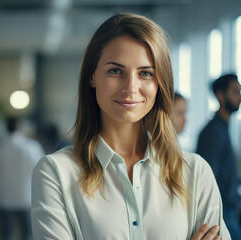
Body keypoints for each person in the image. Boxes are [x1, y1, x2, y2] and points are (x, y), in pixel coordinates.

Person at [31, 13, 230, 239]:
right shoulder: (55, 173)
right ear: (92, 76)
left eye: (145, 73)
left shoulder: (195, 172)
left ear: (160, 84)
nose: (131, 87)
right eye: (116, 71)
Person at [196, 74, 241, 240]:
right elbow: (209, 178)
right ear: (220, 95)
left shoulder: (222, 128)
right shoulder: (213, 132)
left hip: (229, 212)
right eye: (235, 92)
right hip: (222, 215)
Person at [0, 116, 45, 240]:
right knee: (26, 232)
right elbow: (40, 170)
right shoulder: (32, 147)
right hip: (25, 196)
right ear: (21, 128)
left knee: (6, 233)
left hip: (3, 196)